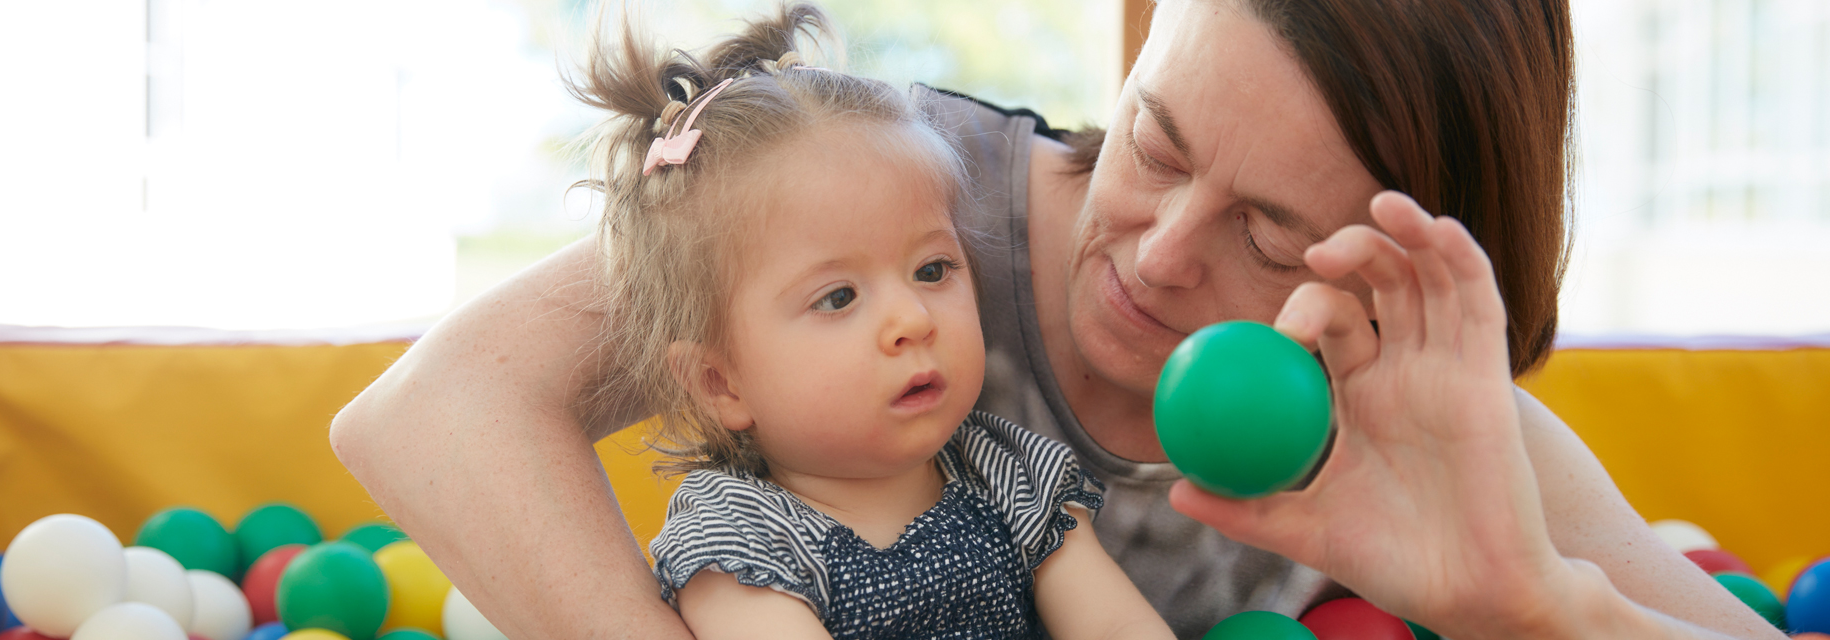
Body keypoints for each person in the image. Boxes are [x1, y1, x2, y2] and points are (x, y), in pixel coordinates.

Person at [330, 0, 1788, 638]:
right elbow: (426, 407)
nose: (1154, 254)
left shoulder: (1411, 409)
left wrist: (1537, 611)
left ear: (1395, 280)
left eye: (1269, 234)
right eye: (1153, 140)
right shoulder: (890, 207)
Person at [563, 6, 1174, 638]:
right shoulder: (740, 536)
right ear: (721, 383)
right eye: (838, 298)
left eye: (933, 270)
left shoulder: (1007, 474)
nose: (911, 318)